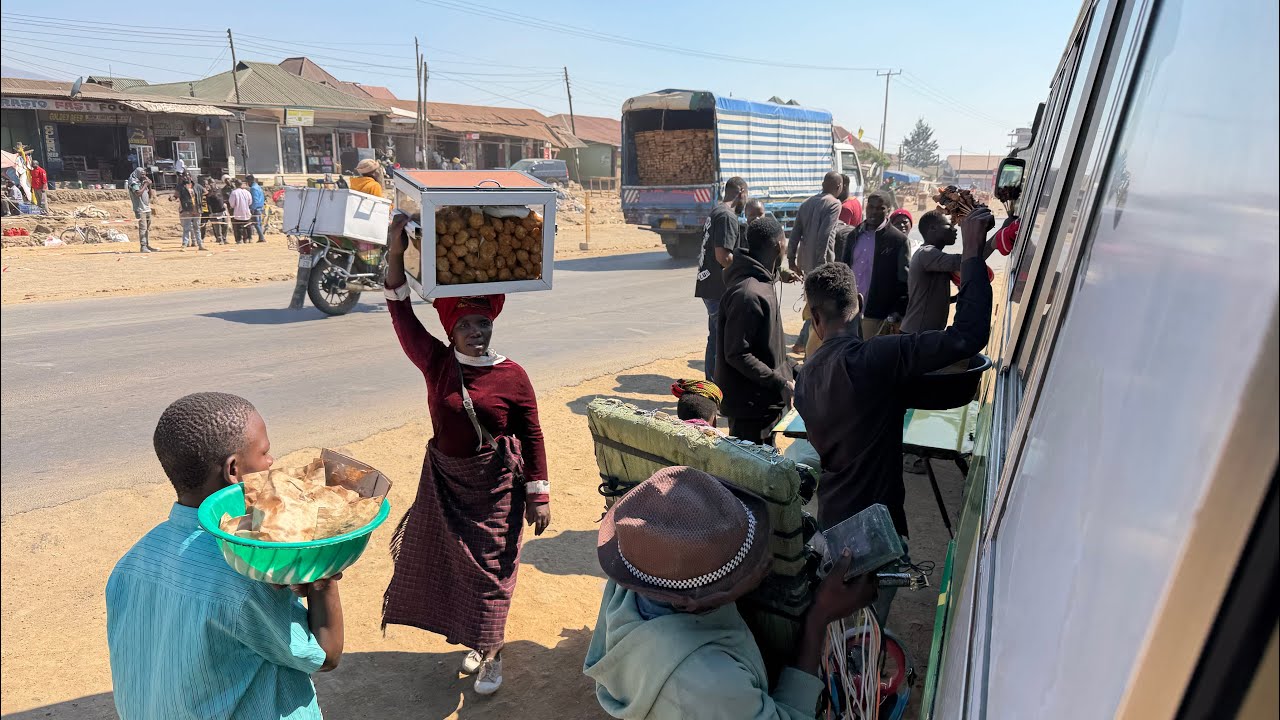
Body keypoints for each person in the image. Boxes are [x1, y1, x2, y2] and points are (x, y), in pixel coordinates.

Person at [380, 212, 551, 696]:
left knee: (494, 571)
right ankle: (479, 638)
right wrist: (395, 253)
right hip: (447, 486)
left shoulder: (513, 375)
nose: (478, 331)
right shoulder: (435, 363)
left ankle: (492, 653)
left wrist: (539, 494)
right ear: (452, 329)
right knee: (456, 566)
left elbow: (533, 434)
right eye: (468, 324)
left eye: (483, 322)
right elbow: (399, 309)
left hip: (497, 490)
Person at [106, 392, 344, 719]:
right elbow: (325, 654)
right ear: (234, 470)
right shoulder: (246, 571)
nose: (272, 462)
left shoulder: (129, 565)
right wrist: (323, 571)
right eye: (264, 452)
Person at [583, 466, 878, 720]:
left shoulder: (645, 571)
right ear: (701, 601)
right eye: (748, 566)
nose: (766, 561)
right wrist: (819, 618)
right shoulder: (710, 683)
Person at [795, 207, 995, 542]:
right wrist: (973, 253)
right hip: (876, 532)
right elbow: (967, 337)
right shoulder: (877, 358)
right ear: (859, 301)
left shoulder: (805, 379)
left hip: (831, 520)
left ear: (814, 318)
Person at [717, 216, 794, 446]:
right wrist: (778, 382)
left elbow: (767, 347)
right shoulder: (748, 295)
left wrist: (793, 370)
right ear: (779, 245)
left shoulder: (764, 283)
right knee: (749, 475)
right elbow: (737, 353)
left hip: (765, 402)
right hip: (749, 409)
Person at [695, 177, 748, 382]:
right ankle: (718, 387)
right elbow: (723, 257)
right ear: (741, 191)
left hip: (710, 286)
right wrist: (744, 268)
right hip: (719, 288)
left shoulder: (717, 210)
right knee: (724, 341)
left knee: (716, 338)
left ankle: (711, 385)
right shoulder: (727, 216)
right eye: (747, 194)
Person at [838, 191, 909, 340]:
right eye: (871, 207)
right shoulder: (854, 235)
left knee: (867, 356)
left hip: (876, 314)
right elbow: (844, 269)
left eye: (880, 208)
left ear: (888, 210)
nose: (874, 212)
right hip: (849, 309)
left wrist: (897, 310)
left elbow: (904, 281)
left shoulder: (898, 240)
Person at [170, 175, 205, 251]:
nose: (187, 178)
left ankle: (200, 245)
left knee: (197, 228)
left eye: (188, 176)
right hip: (187, 210)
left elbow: (205, 192)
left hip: (197, 210)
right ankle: (184, 245)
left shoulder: (197, 186)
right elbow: (175, 196)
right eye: (185, 176)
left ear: (191, 177)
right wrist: (172, 198)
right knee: (186, 228)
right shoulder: (180, 187)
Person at [128, 167, 157, 253]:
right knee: (143, 228)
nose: (144, 176)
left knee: (147, 228)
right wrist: (145, 185)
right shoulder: (134, 182)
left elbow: (150, 195)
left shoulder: (142, 182)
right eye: (142, 174)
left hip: (147, 208)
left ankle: (147, 245)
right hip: (140, 209)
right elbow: (138, 193)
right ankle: (143, 246)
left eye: (145, 174)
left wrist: (149, 185)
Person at [203, 177, 229, 245]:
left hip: (223, 211)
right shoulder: (208, 193)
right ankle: (220, 239)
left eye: (212, 183)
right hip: (215, 212)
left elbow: (224, 197)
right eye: (210, 183)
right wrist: (210, 213)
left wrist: (225, 204)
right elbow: (208, 203)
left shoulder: (220, 190)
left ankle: (224, 238)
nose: (211, 184)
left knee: (225, 225)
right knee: (217, 227)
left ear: (215, 183)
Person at [228, 179, 254, 244]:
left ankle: (240, 240)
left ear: (235, 184)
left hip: (238, 212)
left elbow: (232, 204)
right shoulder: (247, 192)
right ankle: (249, 238)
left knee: (239, 227)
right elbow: (250, 202)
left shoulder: (234, 192)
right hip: (246, 211)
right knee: (248, 226)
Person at [246, 174, 267, 242]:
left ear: (250, 181)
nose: (247, 184)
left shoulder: (253, 188)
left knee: (256, 223)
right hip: (260, 207)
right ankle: (261, 237)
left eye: (247, 182)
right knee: (259, 223)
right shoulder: (258, 187)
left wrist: (252, 208)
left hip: (256, 208)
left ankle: (261, 237)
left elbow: (255, 200)